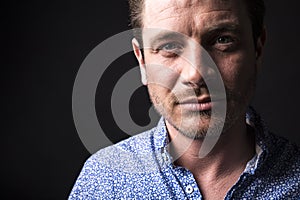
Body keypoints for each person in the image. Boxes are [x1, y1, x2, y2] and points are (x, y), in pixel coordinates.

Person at [69, 0, 300, 199]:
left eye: (222, 39)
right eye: (169, 46)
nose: (195, 74)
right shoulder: (104, 184)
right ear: (142, 61)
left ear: (257, 49)